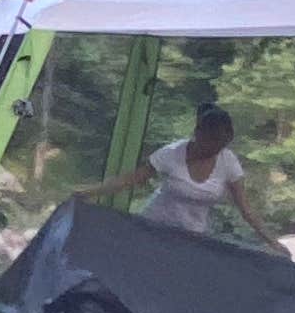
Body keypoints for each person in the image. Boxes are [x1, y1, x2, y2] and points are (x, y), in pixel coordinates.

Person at [87, 100, 262, 241]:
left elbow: (245, 208)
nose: (215, 150)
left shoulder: (228, 161)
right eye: (211, 143)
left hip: (192, 236)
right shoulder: (171, 153)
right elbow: (129, 180)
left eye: (221, 145)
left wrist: (273, 242)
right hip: (153, 226)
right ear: (198, 134)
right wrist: (89, 193)